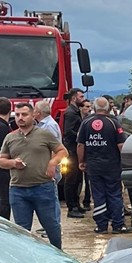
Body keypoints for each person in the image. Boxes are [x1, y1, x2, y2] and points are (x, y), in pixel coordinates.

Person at [0, 102, 67, 248]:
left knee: (51, 225)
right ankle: (26, 260)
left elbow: (62, 151)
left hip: (43, 187)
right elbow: (1, 161)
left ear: (33, 115)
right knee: (22, 230)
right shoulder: (10, 138)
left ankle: (58, 254)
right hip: (18, 190)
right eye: (17, 115)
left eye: (24, 114)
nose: (20, 118)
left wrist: (52, 163)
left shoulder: (44, 134)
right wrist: (13, 163)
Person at [77, 98, 130, 234]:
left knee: (98, 194)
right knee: (115, 194)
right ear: (108, 108)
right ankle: (118, 225)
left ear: (94, 107)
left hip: (93, 166)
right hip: (112, 166)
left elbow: (80, 145)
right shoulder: (114, 123)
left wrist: (81, 161)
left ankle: (101, 226)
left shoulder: (86, 123)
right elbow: (121, 145)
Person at [61, 87, 85, 218]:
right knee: (71, 179)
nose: (83, 99)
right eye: (81, 97)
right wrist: (81, 136)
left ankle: (76, 203)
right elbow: (68, 131)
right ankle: (71, 206)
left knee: (77, 179)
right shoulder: (70, 113)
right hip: (71, 149)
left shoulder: (75, 112)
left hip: (75, 148)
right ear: (74, 98)